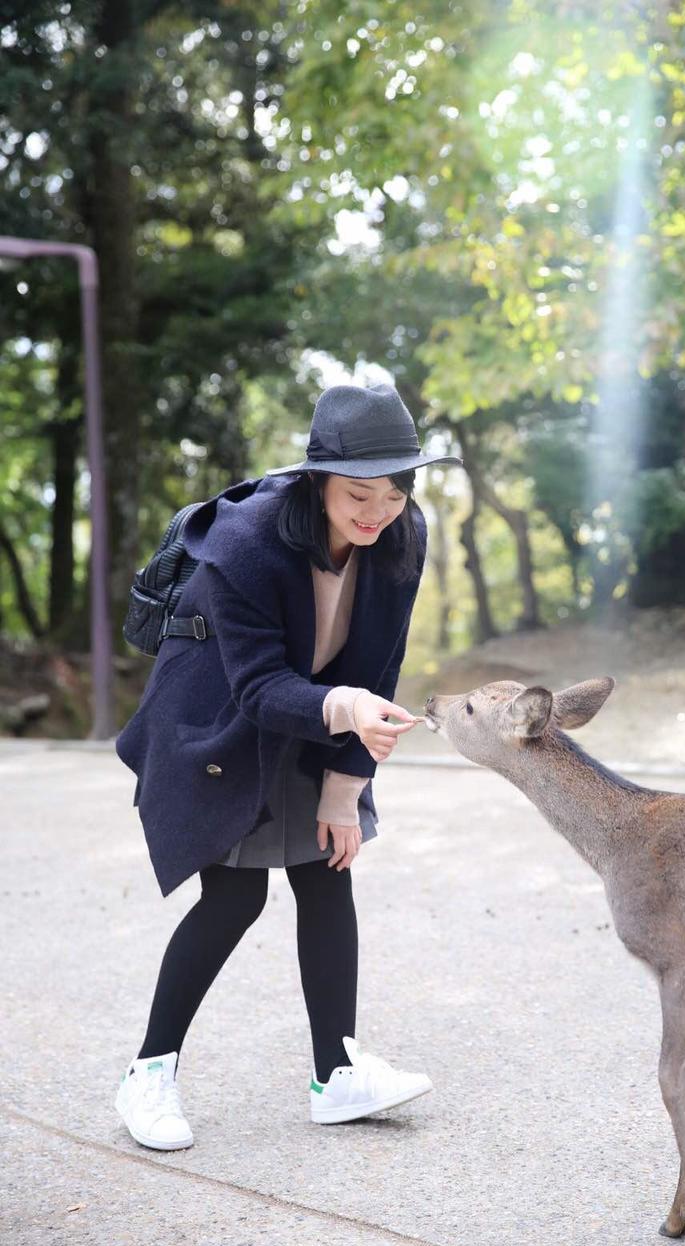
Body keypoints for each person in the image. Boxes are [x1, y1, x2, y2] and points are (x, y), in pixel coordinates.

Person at [113, 383, 463, 1150]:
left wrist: (344, 789)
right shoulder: (243, 546)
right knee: (235, 896)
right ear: (316, 482)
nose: (377, 513)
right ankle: (148, 1075)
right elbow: (259, 688)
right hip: (220, 719)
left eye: (395, 493)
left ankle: (336, 1075)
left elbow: (382, 657)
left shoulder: (403, 533)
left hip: (318, 710)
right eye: (357, 495)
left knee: (328, 870)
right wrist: (344, 707)